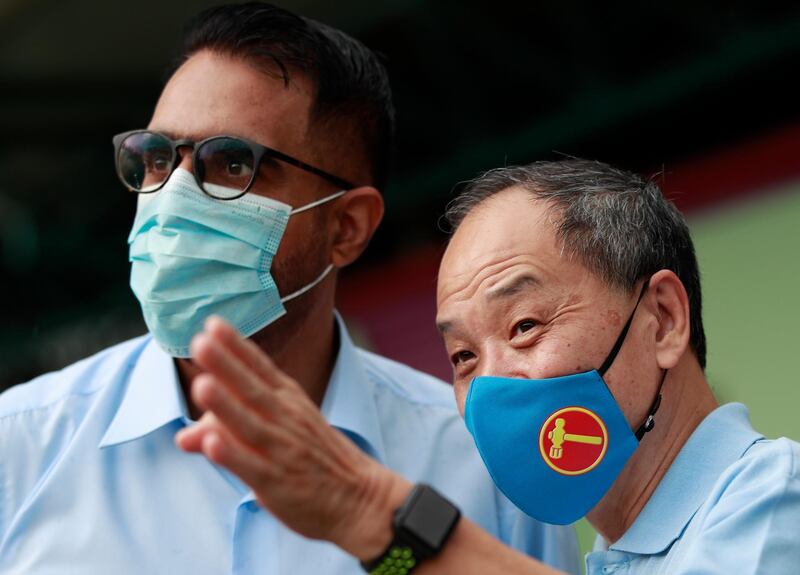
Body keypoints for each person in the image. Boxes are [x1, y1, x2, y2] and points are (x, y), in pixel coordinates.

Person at [0, 4, 580, 574]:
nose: (172, 197)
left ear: (346, 227)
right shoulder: (21, 447)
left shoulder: (482, 468)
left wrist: (393, 548)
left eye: (231, 164)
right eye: (155, 159)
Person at [178, 159, 800, 574]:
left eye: (525, 327)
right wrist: (385, 560)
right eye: (463, 358)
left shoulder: (775, 500)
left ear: (662, 319)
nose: (493, 384)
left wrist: (372, 516)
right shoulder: (611, 558)